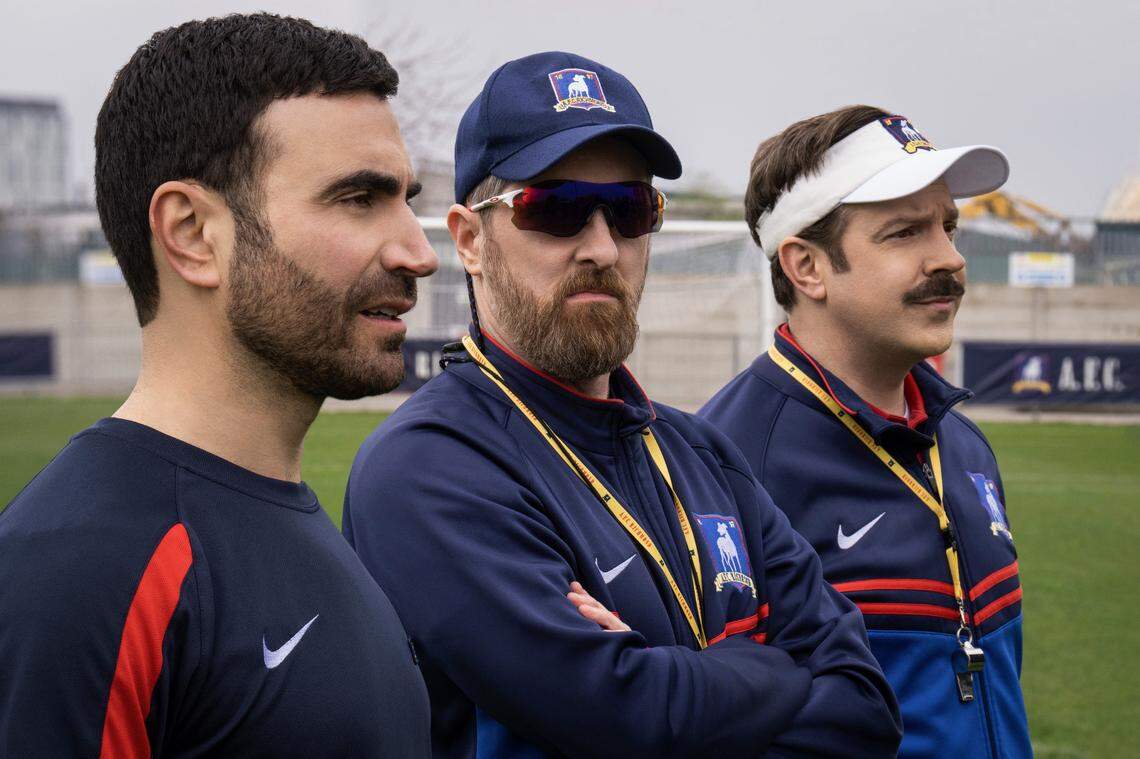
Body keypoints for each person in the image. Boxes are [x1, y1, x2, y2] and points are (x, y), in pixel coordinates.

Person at [343, 52, 901, 758]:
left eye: (632, 209)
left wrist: (671, 687)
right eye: (557, 208)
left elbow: (866, 706)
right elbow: (621, 720)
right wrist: (772, 666)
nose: (602, 247)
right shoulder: (428, 467)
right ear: (469, 239)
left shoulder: (702, 453)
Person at [0, 14, 438, 757]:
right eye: (359, 199)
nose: (418, 251)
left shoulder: (285, 519)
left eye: (405, 198)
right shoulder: (80, 570)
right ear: (192, 233)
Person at [699, 106, 1031, 757]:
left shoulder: (962, 443)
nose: (950, 259)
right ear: (807, 267)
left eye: (948, 226)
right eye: (905, 233)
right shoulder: (727, 466)